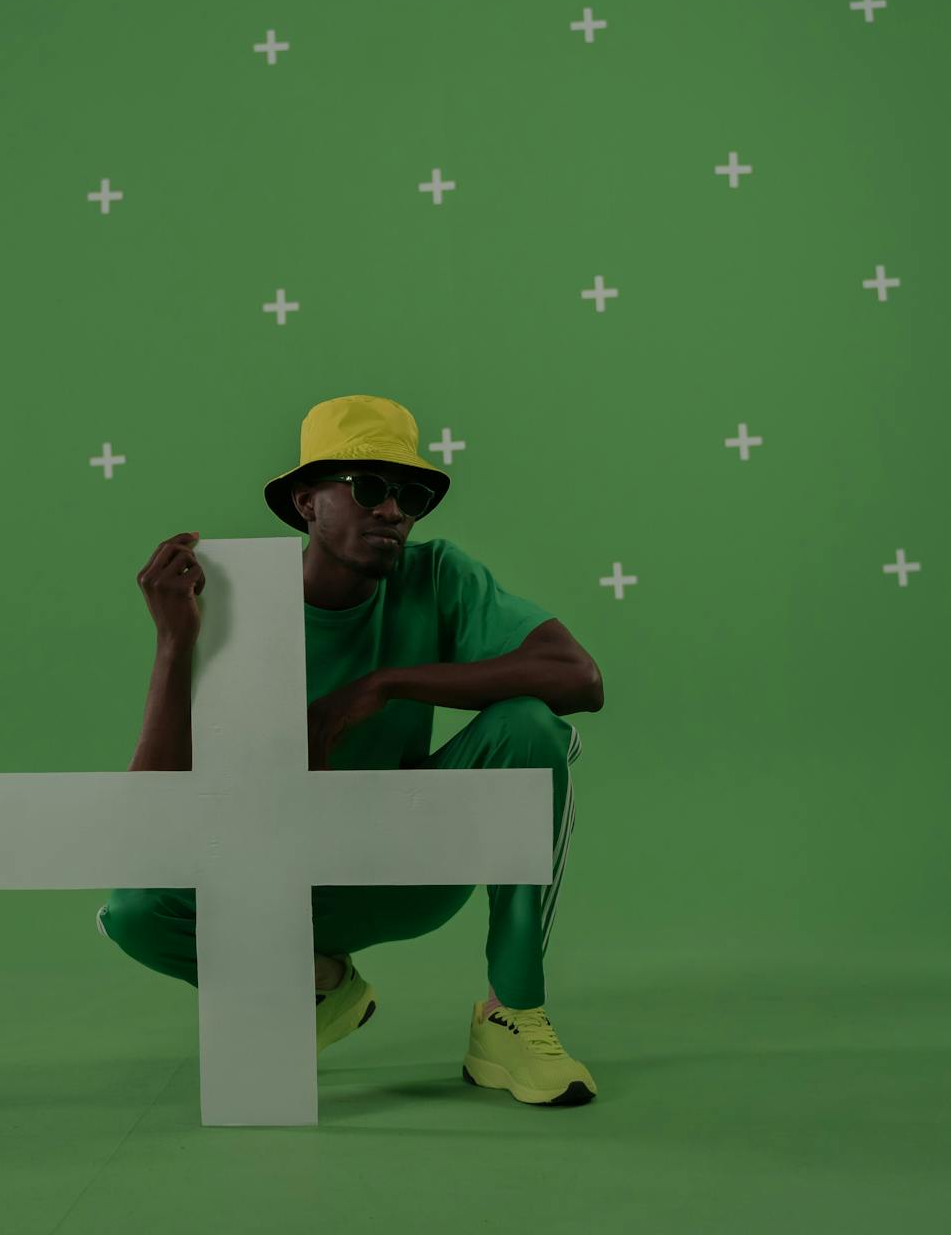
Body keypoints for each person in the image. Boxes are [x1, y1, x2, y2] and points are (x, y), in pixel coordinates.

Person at [101, 395, 600, 1107]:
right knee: (135, 910)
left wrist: (386, 684)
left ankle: (510, 1015)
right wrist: (176, 642)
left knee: (530, 724)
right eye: (368, 487)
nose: (393, 509)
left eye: (411, 494)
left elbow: (578, 677)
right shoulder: (232, 603)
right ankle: (320, 985)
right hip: (280, 884)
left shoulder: (437, 577)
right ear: (307, 501)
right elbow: (154, 820)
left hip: (408, 864)